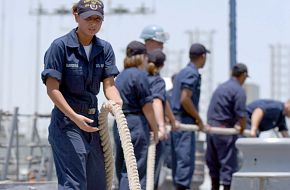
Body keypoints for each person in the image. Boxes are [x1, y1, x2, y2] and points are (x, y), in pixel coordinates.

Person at [41, 0, 122, 189]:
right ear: (76, 16)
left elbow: (109, 85)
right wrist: (74, 117)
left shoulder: (105, 49)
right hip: (67, 122)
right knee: (74, 184)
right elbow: (52, 88)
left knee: (97, 184)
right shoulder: (60, 47)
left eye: (97, 19)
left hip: (92, 123)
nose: (93, 23)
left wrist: (117, 102)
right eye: (88, 19)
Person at [113, 41, 159, 190]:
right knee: (135, 170)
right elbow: (148, 107)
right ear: (143, 57)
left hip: (119, 124)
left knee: (122, 169)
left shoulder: (119, 76)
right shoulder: (140, 75)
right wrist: (156, 129)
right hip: (136, 123)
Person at [140, 24, 176, 190]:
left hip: (138, 127)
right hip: (147, 128)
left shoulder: (139, 66)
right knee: (147, 176)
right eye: (159, 42)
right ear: (149, 42)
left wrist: (171, 119)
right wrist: (160, 127)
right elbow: (155, 100)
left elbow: (161, 98)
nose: (162, 46)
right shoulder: (147, 70)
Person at [170, 43, 210, 190]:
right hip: (184, 121)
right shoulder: (191, 73)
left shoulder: (182, 72)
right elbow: (185, 99)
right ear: (203, 56)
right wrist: (199, 120)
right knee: (184, 162)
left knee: (179, 163)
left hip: (177, 120)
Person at [206, 63, 249, 190]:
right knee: (227, 168)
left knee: (213, 166)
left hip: (212, 130)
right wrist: (241, 128)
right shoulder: (239, 90)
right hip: (225, 132)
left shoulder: (221, 87)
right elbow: (241, 114)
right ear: (243, 75)